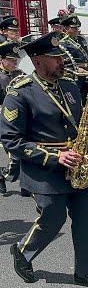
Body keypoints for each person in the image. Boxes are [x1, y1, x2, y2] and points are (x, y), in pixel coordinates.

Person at [0, 32, 88, 288]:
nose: (62, 61)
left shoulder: (69, 86)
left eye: (61, 56)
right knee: (53, 218)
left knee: (84, 218)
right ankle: (23, 251)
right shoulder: (20, 93)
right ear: (37, 61)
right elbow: (12, 141)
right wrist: (55, 156)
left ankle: (84, 271)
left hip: (78, 164)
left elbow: (76, 123)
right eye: (55, 57)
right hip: (45, 169)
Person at [0, 41, 28, 197]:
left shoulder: (19, 74)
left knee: (26, 153)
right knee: (15, 158)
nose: (14, 62)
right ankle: (2, 174)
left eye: (15, 59)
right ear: (1, 60)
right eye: (11, 59)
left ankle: (26, 186)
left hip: (22, 120)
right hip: (5, 122)